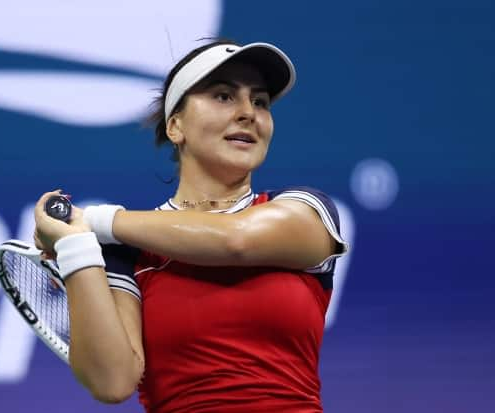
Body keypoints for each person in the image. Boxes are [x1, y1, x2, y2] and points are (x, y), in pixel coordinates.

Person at [34, 40, 349, 413]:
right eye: (223, 96)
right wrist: (76, 247)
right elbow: (112, 382)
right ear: (175, 125)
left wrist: (96, 221)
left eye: (260, 102)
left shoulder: (306, 211)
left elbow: (237, 239)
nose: (248, 112)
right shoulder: (125, 252)